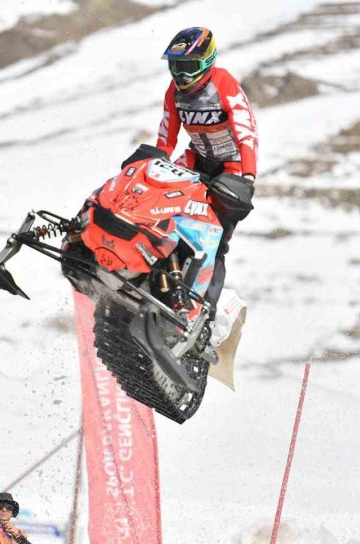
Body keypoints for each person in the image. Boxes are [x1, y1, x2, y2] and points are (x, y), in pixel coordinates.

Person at [156, 26, 258, 344]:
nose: (181, 75)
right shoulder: (173, 93)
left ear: (206, 62)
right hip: (196, 160)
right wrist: (154, 165)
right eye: (175, 66)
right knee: (160, 209)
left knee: (215, 245)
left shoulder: (224, 83)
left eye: (187, 67)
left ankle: (207, 319)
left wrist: (249, 177)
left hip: (231, 168)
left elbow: (246, 131)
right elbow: (166, 136)